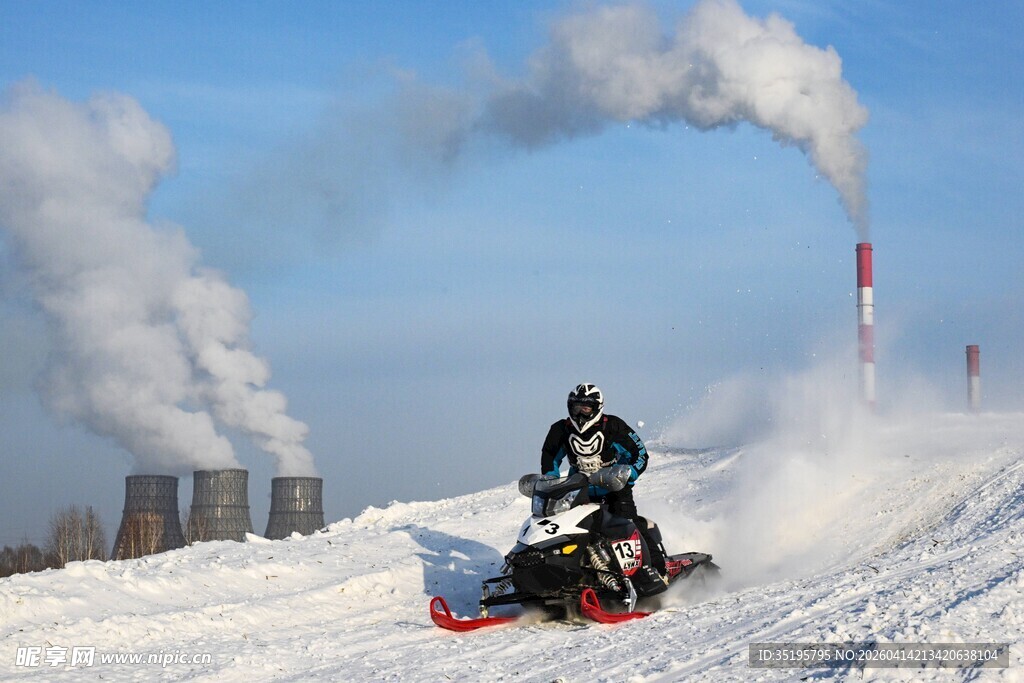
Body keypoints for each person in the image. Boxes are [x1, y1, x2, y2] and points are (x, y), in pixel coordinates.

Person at [540, 383, 667, 582]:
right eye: (576, 407)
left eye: (586, 408)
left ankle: (657, 572)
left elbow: (640, 453)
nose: (580, 413)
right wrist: (550, 481)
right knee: (570, 529)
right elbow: (550, 457)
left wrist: (628, 474)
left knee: (629, 525)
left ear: (597, 407)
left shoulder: (613, 426)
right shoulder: (560, 430)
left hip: (614, 487)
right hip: (578, 488)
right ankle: (570, 576)